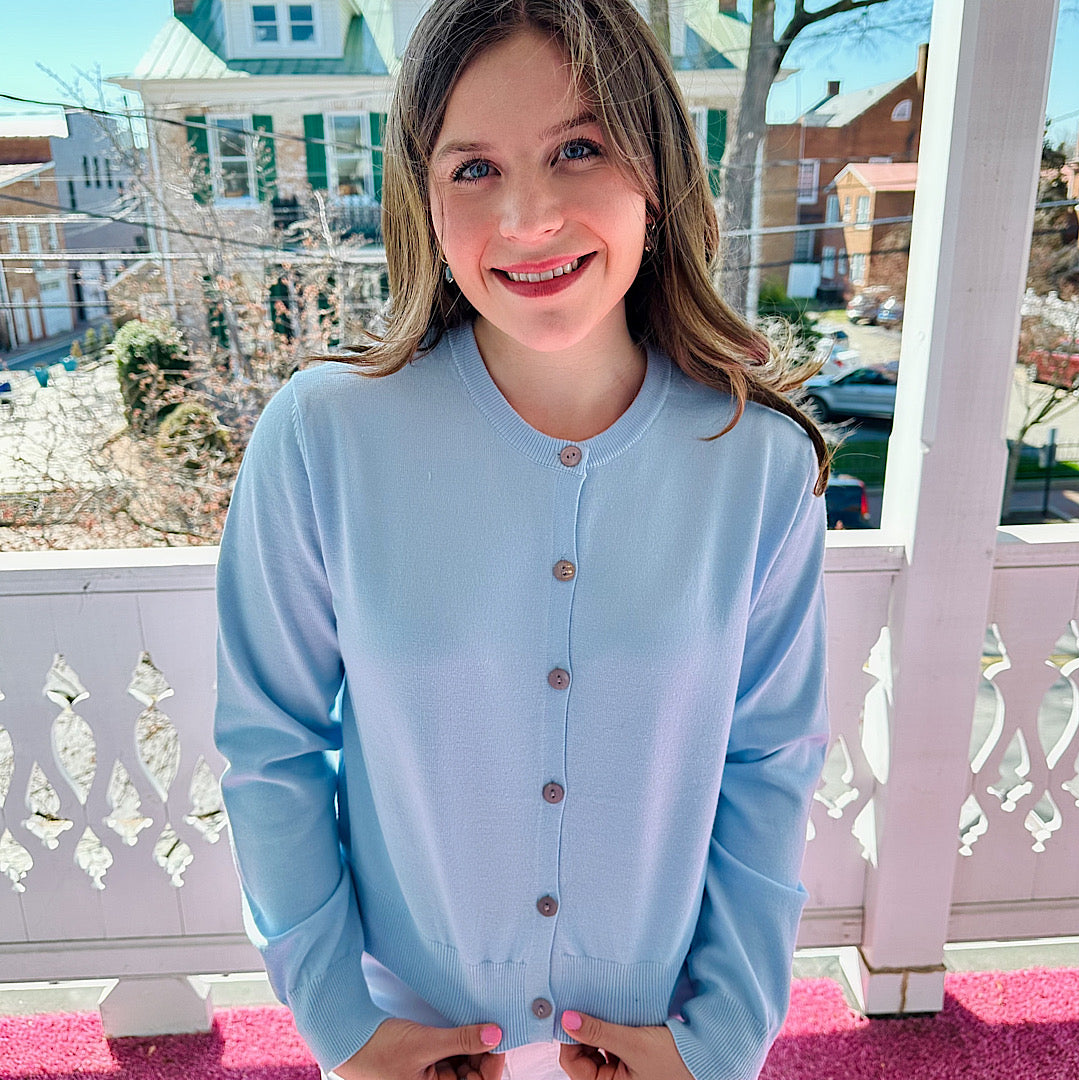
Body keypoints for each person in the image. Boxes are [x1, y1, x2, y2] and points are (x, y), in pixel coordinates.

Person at [213, 2, 830, 1079]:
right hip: (404, 1048)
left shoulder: (760, 464)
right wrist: (342, 1026)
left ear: (655, 170)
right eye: (474, 169)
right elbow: (270, 744)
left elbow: (768, 764)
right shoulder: (322, 436)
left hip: (662, 1050)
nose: (529, 218)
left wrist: (724, 1039)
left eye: (577, 150)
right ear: (424, 200)